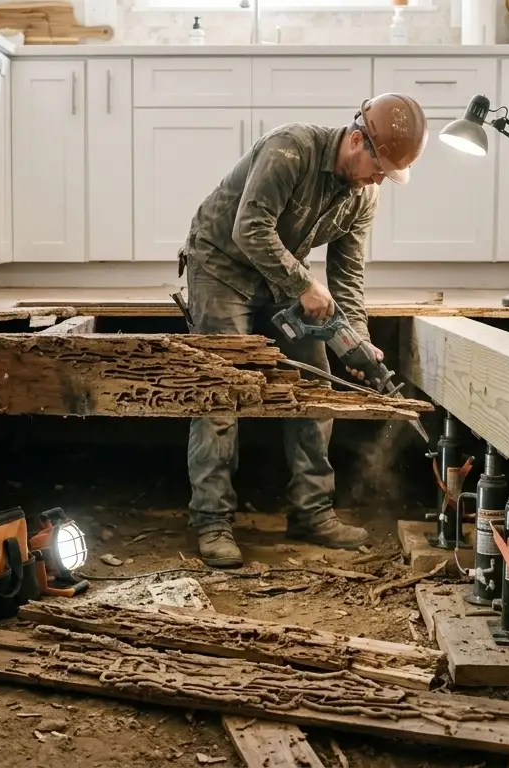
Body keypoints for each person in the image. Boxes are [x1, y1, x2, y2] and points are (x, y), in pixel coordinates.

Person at [174, 93, 430, 568]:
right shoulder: (290, 149)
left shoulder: (363, 195)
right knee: (221, 391)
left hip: (281, 273)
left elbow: (347, 274)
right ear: (357, 140)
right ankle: (212, 520)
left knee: (316, 385)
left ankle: (311, 512)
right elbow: (249, 229)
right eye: (380, 168)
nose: (380, 179)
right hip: (221, 266)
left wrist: (357, 339)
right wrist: (303, 284)